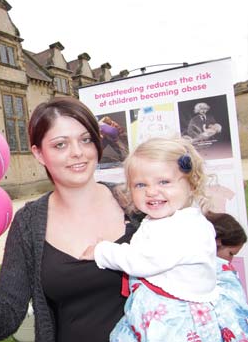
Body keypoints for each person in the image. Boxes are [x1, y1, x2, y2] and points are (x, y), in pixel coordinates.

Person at [0, 97, 144, 342]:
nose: (77, 152)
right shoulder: (29, 224)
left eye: (85, 139)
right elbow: (3, 323)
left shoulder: (137, 206)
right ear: (39, 153)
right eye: (60, 145)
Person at [93, 137, 247, 341]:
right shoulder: (166, 219)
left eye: (164, 182)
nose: (151, 191)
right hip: (162, 305)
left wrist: (102, 251)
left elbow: (143, 261)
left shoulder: (185, 228)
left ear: (191, 184)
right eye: (140, 184)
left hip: (178, 322)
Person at [205, 211, 248, 342]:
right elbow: (235, 315)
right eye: (231, 253)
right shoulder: (223, 271)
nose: (230, 261)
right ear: (217, 242)